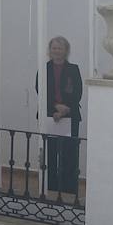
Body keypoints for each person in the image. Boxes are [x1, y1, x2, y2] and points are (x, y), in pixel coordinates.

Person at [41, 36, 83, 197]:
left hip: (70, 115)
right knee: (50, 151)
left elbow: (77, 92)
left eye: (60, 48)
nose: (57, 51)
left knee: (69, 152)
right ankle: (50, 185)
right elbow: (41, 89)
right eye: (54, 48)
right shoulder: (44, 68)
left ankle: (69, 188)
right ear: (50, 50)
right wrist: (55, 107)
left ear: (66, 51)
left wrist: (65, 109)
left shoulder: (74, 69)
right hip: (49, 115)